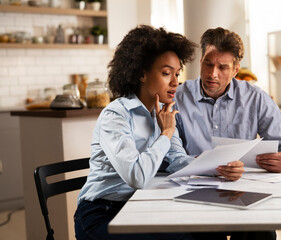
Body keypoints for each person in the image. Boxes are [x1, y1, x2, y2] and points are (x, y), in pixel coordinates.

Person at [74, 25, 242, 240]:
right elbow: (137, 177)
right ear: (142, 74)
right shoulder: (116, 116)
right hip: (103, 213)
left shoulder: (160, 114)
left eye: (177, 73)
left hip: (140, 206)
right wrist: (166, 134)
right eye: (166, 73)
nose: (175, 82)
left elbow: (177, 159)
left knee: (208, 232)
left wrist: (217, 167)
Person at [174, 27, 281, 175]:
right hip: (188, 184)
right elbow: (169, 156)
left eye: (222, 67)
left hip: (242, 186)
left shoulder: (255, 98)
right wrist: (202, 164)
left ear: (235, 70)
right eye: (208, 64)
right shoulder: (177, 98)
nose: (213, 74)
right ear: (200, 61)